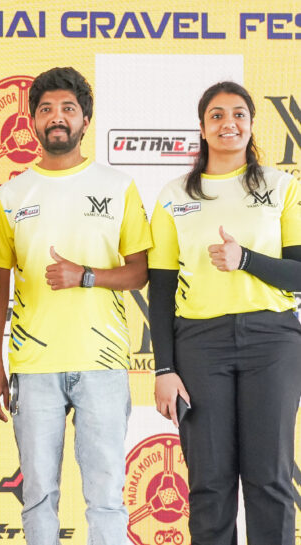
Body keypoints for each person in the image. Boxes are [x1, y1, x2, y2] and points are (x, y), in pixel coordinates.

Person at [0, 67, 151, 545]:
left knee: (106, 497)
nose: (57, 118)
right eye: (46, 110)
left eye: (67, 109)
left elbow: (140, 271)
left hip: (103, 363)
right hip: (33, 367)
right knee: (37, 495)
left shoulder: (118, 186)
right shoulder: (10, 196)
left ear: (85, 119)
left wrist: (87, 277)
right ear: (32, 122)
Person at [150, 81, 301, 545]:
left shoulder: (281, 187)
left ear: (252, 124)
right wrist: (164, 367)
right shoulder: (174, 194)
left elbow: (298, 275)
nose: (227, 123)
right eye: (216, 115)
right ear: (201, 127)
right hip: (200, 345)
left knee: (269, 477)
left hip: (273, 340)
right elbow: (160, 289)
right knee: (209, 481)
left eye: (238, 114)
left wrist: (247, 260)